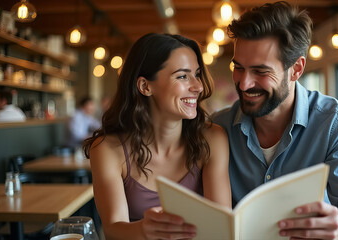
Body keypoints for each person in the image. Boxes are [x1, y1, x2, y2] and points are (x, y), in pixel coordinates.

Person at [212, 2, 338, 240]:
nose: (244, 83)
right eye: (238, 68)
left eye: (260, 71)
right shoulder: (217, 127)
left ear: (296, 69)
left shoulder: (335, 123)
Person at [83, 33, 231, 240]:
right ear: (145, 86)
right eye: (182, 76)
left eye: (197, 74)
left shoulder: (212, 139)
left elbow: (220, 227)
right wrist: (144, 230)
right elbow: (113, 229)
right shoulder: (107, 149)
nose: (198, 86)